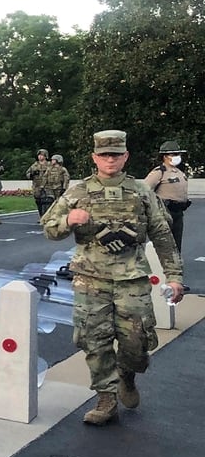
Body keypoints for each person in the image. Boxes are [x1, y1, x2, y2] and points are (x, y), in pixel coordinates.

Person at [42, 130, 184, 425]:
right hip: (90, 279)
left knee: (136, 344)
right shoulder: (78, 191)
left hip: (132, 279)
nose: (110, 160)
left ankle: (127, 376)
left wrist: (174, 276)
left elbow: (162, 234)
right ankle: (106, 398)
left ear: (125, 157)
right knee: (95, 341)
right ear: (95, 157)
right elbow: (49, 228)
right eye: (104, 155)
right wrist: (69, 220)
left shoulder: (142, 191)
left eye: (116, 154)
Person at [144, 141, 191, 253]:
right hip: (164, 213)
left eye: (178, 154)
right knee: (165, 244)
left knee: (176, 243)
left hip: (178, 213)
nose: (177, 157)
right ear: (165, 156)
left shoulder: (179, 172)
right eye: (173, 154)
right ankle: (163, 268)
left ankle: (175, 267)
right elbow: (144, 190)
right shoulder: (159, 172)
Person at [26, 149, 52, 219]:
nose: (40, 157)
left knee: (46, 202)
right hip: (37, 186)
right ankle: (41, 216)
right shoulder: (35, 165)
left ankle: (46, 217)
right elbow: (27, 173)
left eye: (42, 155)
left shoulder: (50, 165)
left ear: (45, 156)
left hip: (47, 186)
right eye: (39, 155)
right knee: (38, 202)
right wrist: (32, 174)